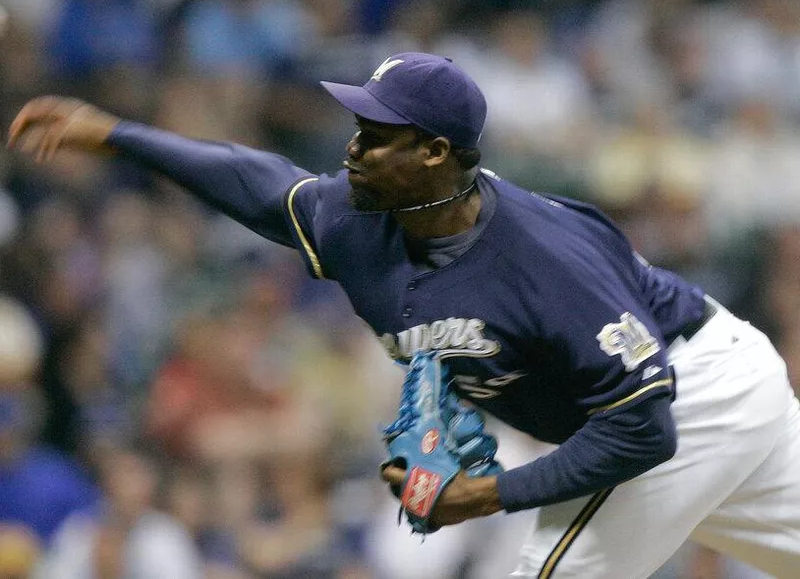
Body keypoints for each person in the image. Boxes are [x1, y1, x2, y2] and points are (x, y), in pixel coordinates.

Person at [7, 52, 800, 578]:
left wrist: (486, 496)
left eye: (376, 135)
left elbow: (645, 428)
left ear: (434, 153)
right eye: (357, 130)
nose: (352, 150)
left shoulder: (545, 256)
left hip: (689, 392)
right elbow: (255, 184)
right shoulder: (359, 219)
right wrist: (116, 135)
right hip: (681, 394)